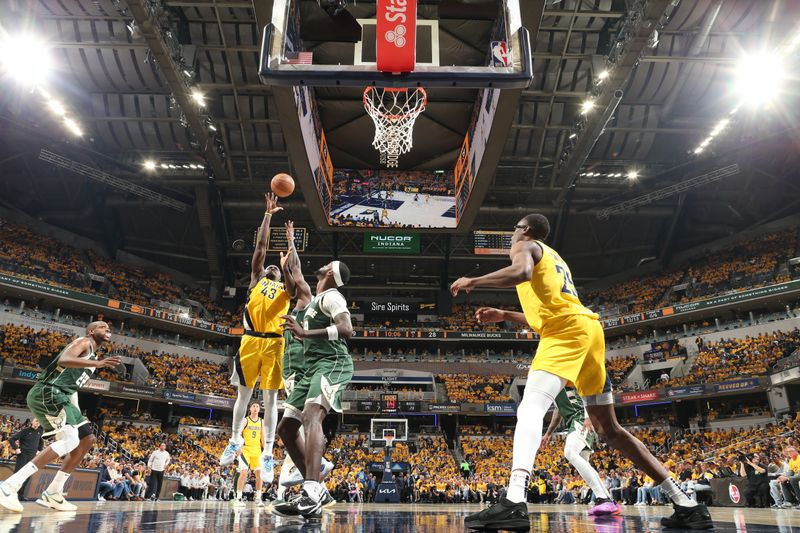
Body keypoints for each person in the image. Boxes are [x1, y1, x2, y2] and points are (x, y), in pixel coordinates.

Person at [450, 214, 713, 530]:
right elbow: (549, 311)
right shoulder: (554, 258)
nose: (511, 234)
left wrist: (473, 281)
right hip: (588, 331)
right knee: (610, 430)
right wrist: (505, 313)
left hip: (566, 332)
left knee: (531, 406)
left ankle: (515, 500)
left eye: (514, 228)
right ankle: (686, 504)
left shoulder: (525, 246)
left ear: (527, 231)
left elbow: (521, 273)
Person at [0, 321, 122, 512]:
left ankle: (53, 493)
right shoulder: (84, 342)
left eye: (109, 328)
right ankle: (9, 486)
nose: (108, 329)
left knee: (87, 439)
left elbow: (72, 388)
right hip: (48, 392)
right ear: (91, 331)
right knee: (70, 440)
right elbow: (64, 359)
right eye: (103, 327)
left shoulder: (93, 354)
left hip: (63, 396)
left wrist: (79, 415)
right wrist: (96, 363)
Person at [220, 193, 288, 493]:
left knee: (272, 401)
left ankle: (269, 451)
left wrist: (289, 254)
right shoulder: (257, 278)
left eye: (277, 268)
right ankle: (234, 440)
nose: (271, 267)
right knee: (243, 396)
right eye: (270, 267)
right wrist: (268, 215)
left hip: (274, 344)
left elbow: (296, 275)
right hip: (250, 342)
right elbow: (261, 247)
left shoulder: (287, 287)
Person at [274, 259, 354, 519]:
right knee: (285, 429)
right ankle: (317, 488)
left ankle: (310, 490)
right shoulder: (315, 300)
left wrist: (306, 335)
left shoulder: (332, 296)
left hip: (332, 363)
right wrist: (290, 248)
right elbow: (296, 274)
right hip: (311, 368)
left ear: (330, 272)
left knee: (311, 416)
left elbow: (347, 329)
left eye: (326, 264)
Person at [274, 221, 333, 504]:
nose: (291, 283)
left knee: (296, 425)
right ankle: (319, 488)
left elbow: (296, 273)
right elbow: (290, 276)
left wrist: (291, 243)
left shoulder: (307, 299)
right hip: (289, 368)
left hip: (303, 367)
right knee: (286, 429)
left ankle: (316, 474)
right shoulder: (290, 304)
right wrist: (286, 264)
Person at [540, 386, 619, 515]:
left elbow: (585, 391)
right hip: (576, 421)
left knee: (570, 452)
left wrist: (588, 417)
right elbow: (558, 411)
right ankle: (609, 500)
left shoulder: (566, 375)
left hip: (581, 419)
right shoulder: (555, 388)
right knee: (584, 464)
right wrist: (548, 433)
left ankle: (603, 499)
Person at [233, 402, 266, 507]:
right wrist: (237, 447)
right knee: (243, 472)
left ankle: (258, 498)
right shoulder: (245, 420)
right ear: (250, 409)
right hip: (245, 450)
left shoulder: (262, 422)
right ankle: (238, 498)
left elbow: (263, 438)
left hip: (257, 451)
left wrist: (266, 451)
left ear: (259, 409)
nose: (255, 408)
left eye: (257, 406)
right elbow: (237, 433)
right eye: (253, 406)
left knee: (259, 474)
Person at [8, 418, 43, 500]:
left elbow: (41, 442)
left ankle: (20, 496)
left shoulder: (40, 431)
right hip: (23, 455)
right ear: (32, 422)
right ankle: (11, 494)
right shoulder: (26, 430)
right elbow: (12, 439)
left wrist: (39, 450)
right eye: (36, 421)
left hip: (32, 457)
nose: (38, 423)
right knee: (18, 475)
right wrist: (16, 448)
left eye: (39, 421)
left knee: (27, 476)